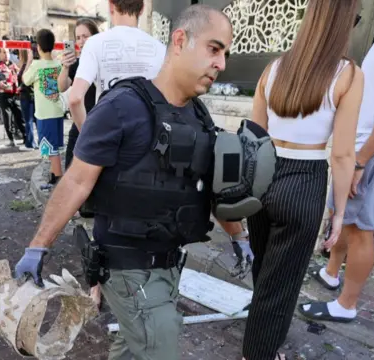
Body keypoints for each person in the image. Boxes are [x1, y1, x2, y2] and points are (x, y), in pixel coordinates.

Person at [15, 5, 232, 359]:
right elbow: (76, 182)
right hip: (127, 266)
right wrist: (38, 246)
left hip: (168, 263)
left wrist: (239, 238)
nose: (222, 63)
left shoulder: (198, 116)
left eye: (225, 53)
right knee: (159, 346)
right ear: (180, 40)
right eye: (214, 48)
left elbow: (213, 188)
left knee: (131, 344)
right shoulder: (121, 107)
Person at [242, 0, 363, 358]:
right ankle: (258, 351)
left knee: (266, 270)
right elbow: (342, 154)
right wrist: (338, 213)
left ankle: (264, 340)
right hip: (305, 179)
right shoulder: (348, 75)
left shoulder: (273, 67)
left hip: (263, 174)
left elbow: (255, 134)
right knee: (282, 283)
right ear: (343, 24)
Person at [298, 27, 374, 324]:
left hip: (371, 152)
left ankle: (346, 305)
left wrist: (361, 160)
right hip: (357, 145)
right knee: (343, 215)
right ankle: (331, 273)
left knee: (361, 230)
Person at [68, 0, 166, 130]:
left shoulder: (94, 43)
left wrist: (88, 137)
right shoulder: (160, 48)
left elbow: (75, 99)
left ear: (111, 6)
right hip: (147, 135)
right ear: (142, 9)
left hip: (108, 132)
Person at [22, 29, 64, 189]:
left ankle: (58, 178)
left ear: (37, 47)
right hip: (57, 110)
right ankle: (54, 177)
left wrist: (29, 60)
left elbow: (25, 80)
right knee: (54, 146)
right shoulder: (58, 64)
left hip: (45, 114)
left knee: (51, 149)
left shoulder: (36, 65)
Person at [58, 18, 100, 170]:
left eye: (85, 36)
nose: (81, 41)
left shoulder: (104, 60)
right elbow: (62, 87)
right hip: (79, 122)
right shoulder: (76, 63)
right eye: (78, 37)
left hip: (100, 122)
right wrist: (65, 67)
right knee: (71, 165)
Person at [0, 48, 25, 146]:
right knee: (7, 118)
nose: (6, 54)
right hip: (4, 95)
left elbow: (20, 76)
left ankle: (25, 136)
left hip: (15, 94)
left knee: (20, 116)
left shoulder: (13, 64)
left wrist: (20, 85)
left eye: (7, 52)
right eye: (3, 52)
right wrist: (0, 84)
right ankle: (11, 139)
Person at [18, 50, 37, 150]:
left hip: (26, 96)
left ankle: (30, 143)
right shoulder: (38, 65)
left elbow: (23, 79)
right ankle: (40, 141)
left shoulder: (28, 65)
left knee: (28, 121)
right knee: (37, 120)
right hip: (35, 96)